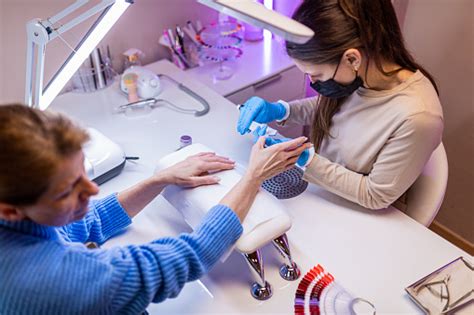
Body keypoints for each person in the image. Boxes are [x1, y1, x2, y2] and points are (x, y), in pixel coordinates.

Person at [0, 104, 312, 314]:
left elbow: (86, 222)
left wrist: (159, 179)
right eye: (69, 189)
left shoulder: (17, 218)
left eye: (83, 172)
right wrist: (253, 177)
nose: (92, 189)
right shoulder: (55, 280)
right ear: (10, 209)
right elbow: (193, 254)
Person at [237, 0, 443, 211]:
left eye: (317, 75)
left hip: (361, 213)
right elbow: (336, 109)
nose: (313, 83)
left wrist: (306, 159)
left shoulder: (419, 117)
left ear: (352, 59)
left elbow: (375, 195)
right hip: (324, 193)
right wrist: (281, 110)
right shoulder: (365, 74)